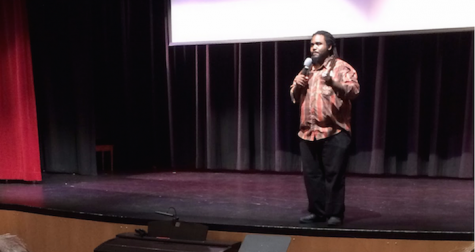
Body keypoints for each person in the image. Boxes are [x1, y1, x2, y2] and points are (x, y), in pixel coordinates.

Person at [290, 30, 359, 226]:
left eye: (318, 44)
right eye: (312, 44)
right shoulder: (307, 69)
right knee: (312, 176)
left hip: (333, 131)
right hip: (308, 132)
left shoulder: (341, 67)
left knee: (334, 176)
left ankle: (334, 214)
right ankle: (317, 212)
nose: (314, 48)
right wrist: (297, 85)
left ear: (329, 46)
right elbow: (293, 95)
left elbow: (354, 90)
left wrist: (333, 82)